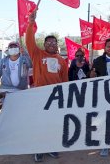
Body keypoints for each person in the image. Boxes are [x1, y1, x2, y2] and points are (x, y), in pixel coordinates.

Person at [26, 9, 68, 162]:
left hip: (56, 96)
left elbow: (65, 80)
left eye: (54, 42)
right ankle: (38, 149)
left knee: (53, 124)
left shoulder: (62, 61)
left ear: (57, 45)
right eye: (48, 42)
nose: (51, 44)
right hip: (39, 95)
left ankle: (51, 147)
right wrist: (31, 23)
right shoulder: (37, 54)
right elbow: (29, 40)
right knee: (39, 123)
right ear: (43, 44)